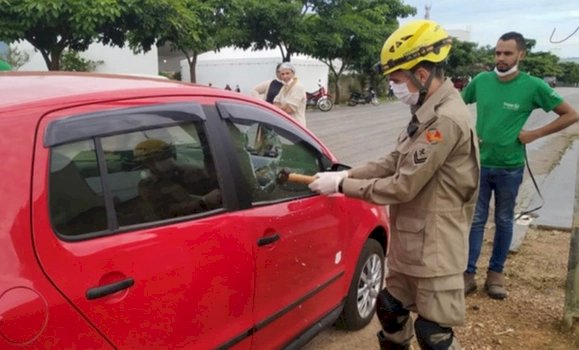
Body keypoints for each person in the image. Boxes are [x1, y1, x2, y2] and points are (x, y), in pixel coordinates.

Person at [308, 19, 479, 350]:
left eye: (397, 80)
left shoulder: (444, 120)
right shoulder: (426, 111)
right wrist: (348, 174)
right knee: (390, 311)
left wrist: (343, 188)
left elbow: (402, 186)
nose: (393, 87)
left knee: (434, 335)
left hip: (436, 247)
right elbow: (392, 160)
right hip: (411, 240)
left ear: (423, 73)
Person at [462, 31, 578, 300]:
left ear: (521, 55)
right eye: (498, 53)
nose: (501, 58)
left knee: (504, 220)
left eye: (507, 53)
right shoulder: (481, 81)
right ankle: (467, 274)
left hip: (510, 167)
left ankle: (496, 274)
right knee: (476, 220)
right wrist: (467, 131)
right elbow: (455, 106)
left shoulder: (533, 86)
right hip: (479, 165)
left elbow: (570, 115)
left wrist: (535, 134)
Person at [133, 139, 221, 221]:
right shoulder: (148, 186)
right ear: (149, 163)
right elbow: (166, 212)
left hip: (214, 215)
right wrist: (203, 201)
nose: (168, 158)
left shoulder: (190, 171)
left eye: (168, 154)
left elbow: (216, 184)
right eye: (162, 156)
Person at [273, 62, 307, 127]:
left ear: (293, 73)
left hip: (297, 126)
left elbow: (289, 109)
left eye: (287, 73)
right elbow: (275, 103)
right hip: (287, 124)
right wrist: (282, 107)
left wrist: (280, 107)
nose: (285, 76)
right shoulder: (284, 88)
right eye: (282, 74)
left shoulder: (298, 87)